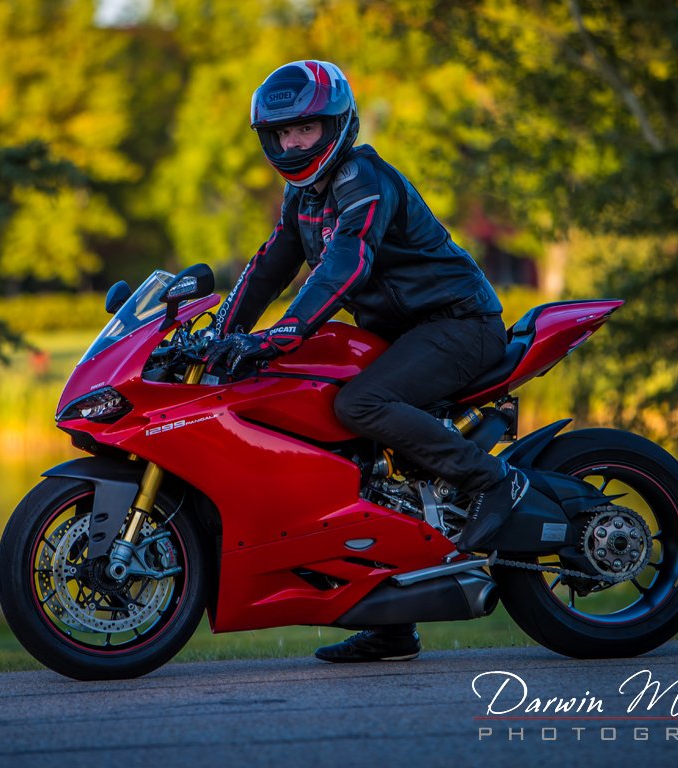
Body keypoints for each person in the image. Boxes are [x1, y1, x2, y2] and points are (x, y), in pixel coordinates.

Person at [206, 60, 529, 663]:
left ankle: (491, 480)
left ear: (336, 125)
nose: (291, 143)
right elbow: (273, 262)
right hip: (400, 334)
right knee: (352, 454)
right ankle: (393, 623)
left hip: (457, 324)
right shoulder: (302, 193)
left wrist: (283, 333)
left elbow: (343, 264)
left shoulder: (361, 179)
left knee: (361, 403)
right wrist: (222, 335)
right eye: (280, 133)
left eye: (304, 129)